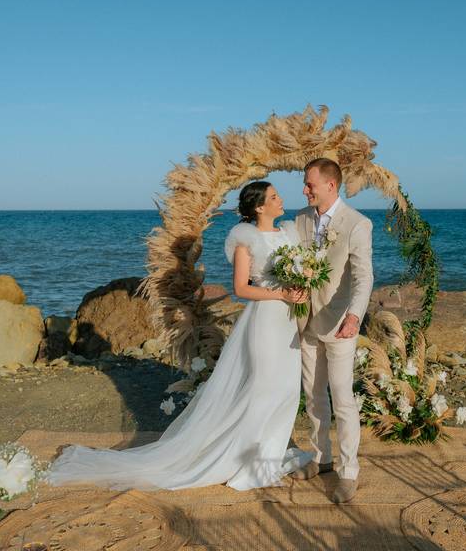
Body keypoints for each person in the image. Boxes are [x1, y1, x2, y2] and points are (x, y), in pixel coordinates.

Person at [49, 181, 311, 491]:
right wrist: (281, 292)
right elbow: (241, 289)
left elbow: (301, 271)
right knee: (264, 388)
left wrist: (303, 282)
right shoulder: (247, 241)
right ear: (259, 207)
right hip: (265, 321)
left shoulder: (289, 235)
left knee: (286, 388)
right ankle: (246, 458)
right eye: (274, 197)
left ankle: (270, 453)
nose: (281, 200)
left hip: (288, 320)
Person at [291, 158, 373, 504]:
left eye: (310, 184)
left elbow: (363, 276)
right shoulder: (299, 220)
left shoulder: (357, 224)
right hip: (307, 322)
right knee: (312, 396)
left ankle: (349, 471)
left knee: (343, 399)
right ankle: (321, 457)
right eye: (305, 184)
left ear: (330, 186)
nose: (305, 189)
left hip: (341, 325)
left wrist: (355, 316)